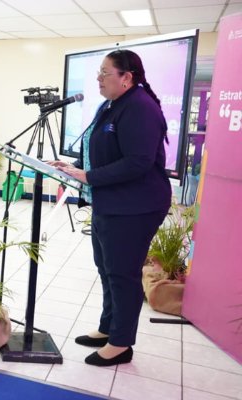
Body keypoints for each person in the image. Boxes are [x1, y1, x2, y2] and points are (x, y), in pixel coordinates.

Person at [48, 50, 171, 367]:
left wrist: (88, 176)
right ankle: (108, 327)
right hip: (110, 201)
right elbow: (100, 151)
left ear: (126, 77)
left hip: (136, 206)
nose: (98, 79)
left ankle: (121, 343)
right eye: (98, 73)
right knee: (107, 269)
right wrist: (71, 166)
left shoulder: (140, 108)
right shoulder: (111, 105)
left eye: (104, 73)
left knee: (123, 274)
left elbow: (138, 162)